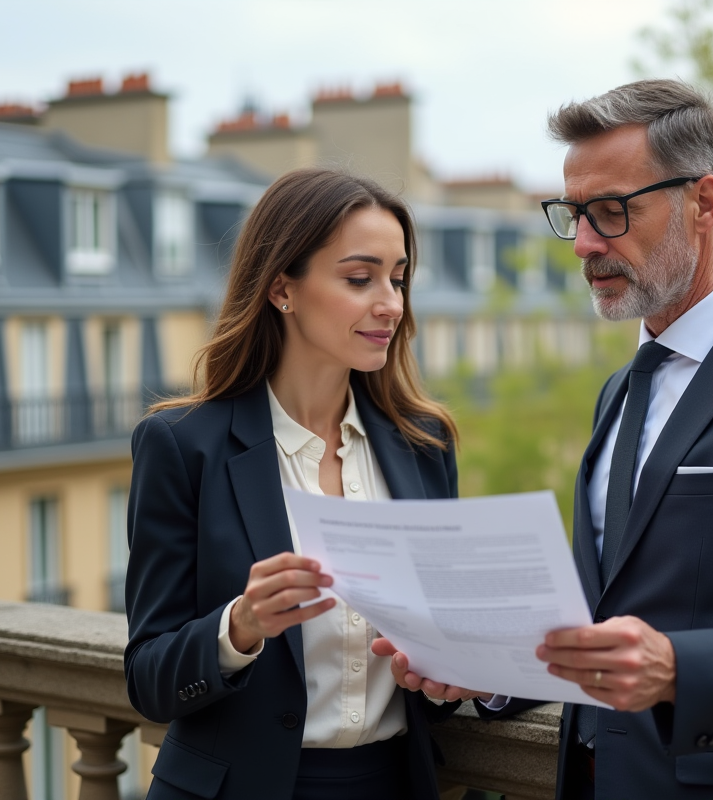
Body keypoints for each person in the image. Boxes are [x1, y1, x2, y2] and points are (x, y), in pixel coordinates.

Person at [379, 79, 713, 799]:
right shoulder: (620, 390)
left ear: (703, 203)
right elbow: (597, 617)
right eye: (573, 214)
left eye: (610, 212)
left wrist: (680, 669)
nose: (582, 244)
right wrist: (488, 674)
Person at [124, 169, 479, 800]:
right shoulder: (183, 445)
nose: (391, 303)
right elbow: (149, 679)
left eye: (397, 279)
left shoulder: (425, 445)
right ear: (282, 289)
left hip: (391, 784)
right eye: (359, 278)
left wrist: (454, 669)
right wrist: (240, 625)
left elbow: (439, 661)